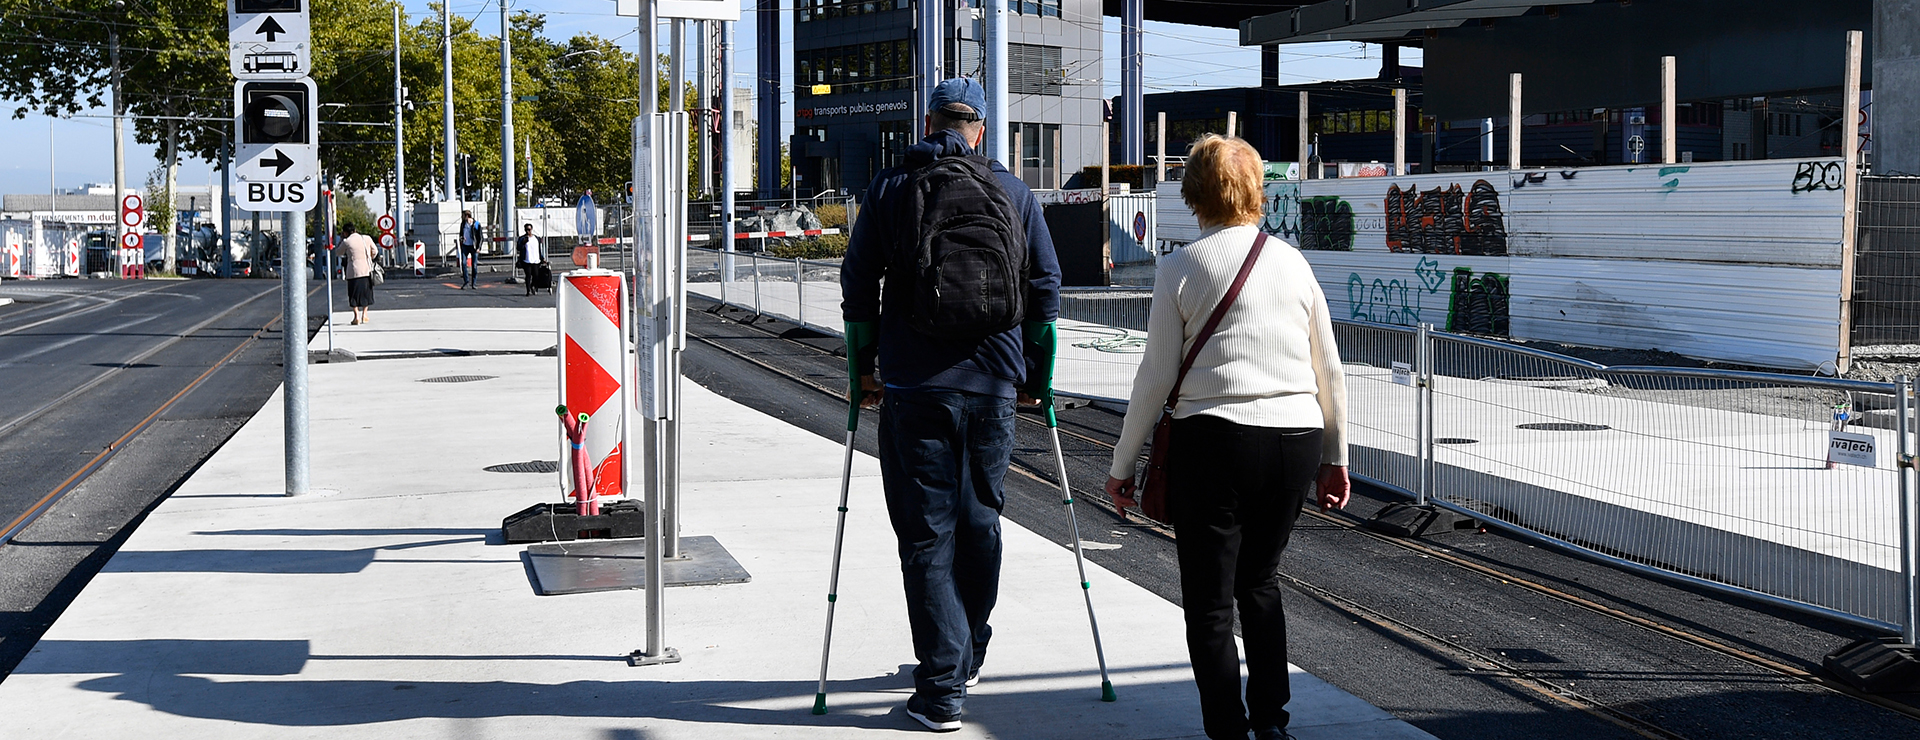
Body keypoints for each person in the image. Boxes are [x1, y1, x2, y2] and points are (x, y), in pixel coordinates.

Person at [1102, 134, 1350, 740]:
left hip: (1213, 441)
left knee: (1210, 602)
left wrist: (1122, 462)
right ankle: (1272, 723)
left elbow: (1157, 375)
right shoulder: (1292, 262)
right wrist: (1335, 457)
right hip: (1294, 438)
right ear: (1255, 189)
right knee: (1260, 582)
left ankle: (1228, 730)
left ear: (1194, 193)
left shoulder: (1180, 266)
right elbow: (1329, 368)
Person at [840, 77, 1062, 734]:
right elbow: (1045, 290)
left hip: (912, 387)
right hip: (993, 385)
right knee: (980, 522)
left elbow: (857, 283)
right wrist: (1037, 378)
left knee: (927, 535)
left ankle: (940, 689)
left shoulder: (891, 186)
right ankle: (968, 651)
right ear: (981, 130)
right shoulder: (1014, 193)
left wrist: (863, 372)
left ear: (929, 121)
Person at [339, 223, 378, 325]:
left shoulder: (347, 241)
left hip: (353, 271)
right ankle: (365, 314)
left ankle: (356, 316)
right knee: (366, 293)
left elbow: (338, 252)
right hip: (366, 270)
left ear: (345, 232)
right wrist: (369, 258)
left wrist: (341, 239)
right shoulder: (366, 238)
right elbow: (375, 251)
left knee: (353, 294)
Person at [517, 223, 546, 296]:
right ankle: (528, 290)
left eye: (529, 230)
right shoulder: (522, 238)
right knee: (528, 275)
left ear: (531, 229)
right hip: (526, 260)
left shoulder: (536, 238)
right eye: (526, 230)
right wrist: (523, 243)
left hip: (536, 260)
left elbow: (538, 249)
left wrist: (542, 258)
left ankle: (532, 285)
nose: (528, 231)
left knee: (536, 275)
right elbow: (518, 248)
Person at [458, 210, 481, 289]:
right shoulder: (463, 224)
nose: (462, 217)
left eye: (463, 215)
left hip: (473, 246)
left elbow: (481, 237)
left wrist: (479, 247)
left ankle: (474, 283)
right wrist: (461, 238)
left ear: (467, 216)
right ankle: (466, 281)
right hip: (465, 246)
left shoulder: (476, 224)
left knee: (474, 265)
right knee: (464, 263)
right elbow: (461, 234)